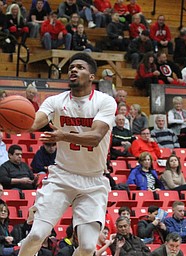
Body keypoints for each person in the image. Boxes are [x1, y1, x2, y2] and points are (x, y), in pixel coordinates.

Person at [17, 52, 117, 256]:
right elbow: (34, 122)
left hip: (94, 180)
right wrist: (16, 123)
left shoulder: (105, 101)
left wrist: (63, 136)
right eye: (71, 67)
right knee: (37, 235)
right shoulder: (55, 101)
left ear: (91, 76)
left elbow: (96, 136)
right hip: (62, 176)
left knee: (88, 247)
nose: (73, 69)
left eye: (80, 67)